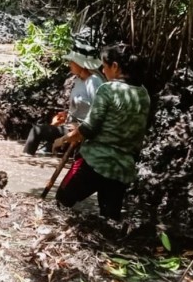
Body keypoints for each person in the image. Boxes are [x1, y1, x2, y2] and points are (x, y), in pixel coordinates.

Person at [53, 44, 151, 222]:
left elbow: (89, 128)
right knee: (110, 220)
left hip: (94, 161)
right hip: (122, 168)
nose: (103, 71)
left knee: (61, 201)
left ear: (114, 66)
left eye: (104, 67)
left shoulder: (108, 89)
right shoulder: (144, 93)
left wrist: (63, 139)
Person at [24, 49, 105, 155]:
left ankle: (27, 156)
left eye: (72, 61)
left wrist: (81, 127)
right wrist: (65, 116)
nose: (69, 64)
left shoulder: (94, 81)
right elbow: (81, 106)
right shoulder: (79, 80)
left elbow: (98, 112)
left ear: (81, 64)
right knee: (41, 133)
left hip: (81, 131)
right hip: (69, 125)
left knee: (37, 131)